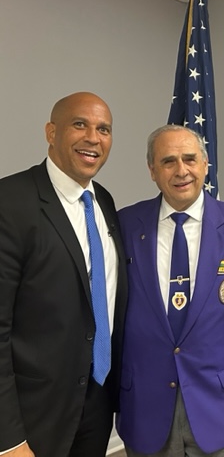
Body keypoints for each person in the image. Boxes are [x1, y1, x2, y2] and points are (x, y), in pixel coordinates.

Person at [116, 125, 224, 456]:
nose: (181, 170)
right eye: (168, 161)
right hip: (145, 400)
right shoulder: (125, 224)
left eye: (189, 159)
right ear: (152, 170)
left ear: (205, 164)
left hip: (217, 399)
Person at [0, 92, 128, 457]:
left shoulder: (104, 200)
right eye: (79, 124)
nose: (93, 137)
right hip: (33, 412)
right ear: (50, 132)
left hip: (97, 400)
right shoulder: (10, 202)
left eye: (104, 129)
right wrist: (7, 438)